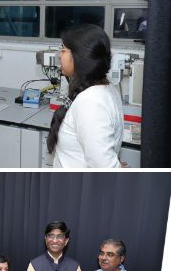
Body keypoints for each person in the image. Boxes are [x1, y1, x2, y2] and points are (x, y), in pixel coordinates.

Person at [46, 24, 123, 168]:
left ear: (79, 57)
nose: (59, 55)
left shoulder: (90, 102)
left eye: (63, 50)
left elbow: (105, 168)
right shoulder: (104, 90)